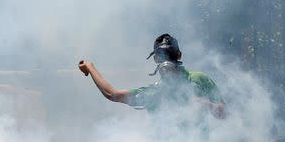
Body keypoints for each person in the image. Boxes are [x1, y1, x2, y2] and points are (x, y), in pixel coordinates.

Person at [78, 34, 226, 119]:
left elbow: (226, 113)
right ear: (156, 59)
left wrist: (208, 106)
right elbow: (113, 94)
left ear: (179, 54)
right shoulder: (155, 93)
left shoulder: (199, 79)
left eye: (170, 53)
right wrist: (90, 67)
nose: (165, 59)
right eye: (161, 55)